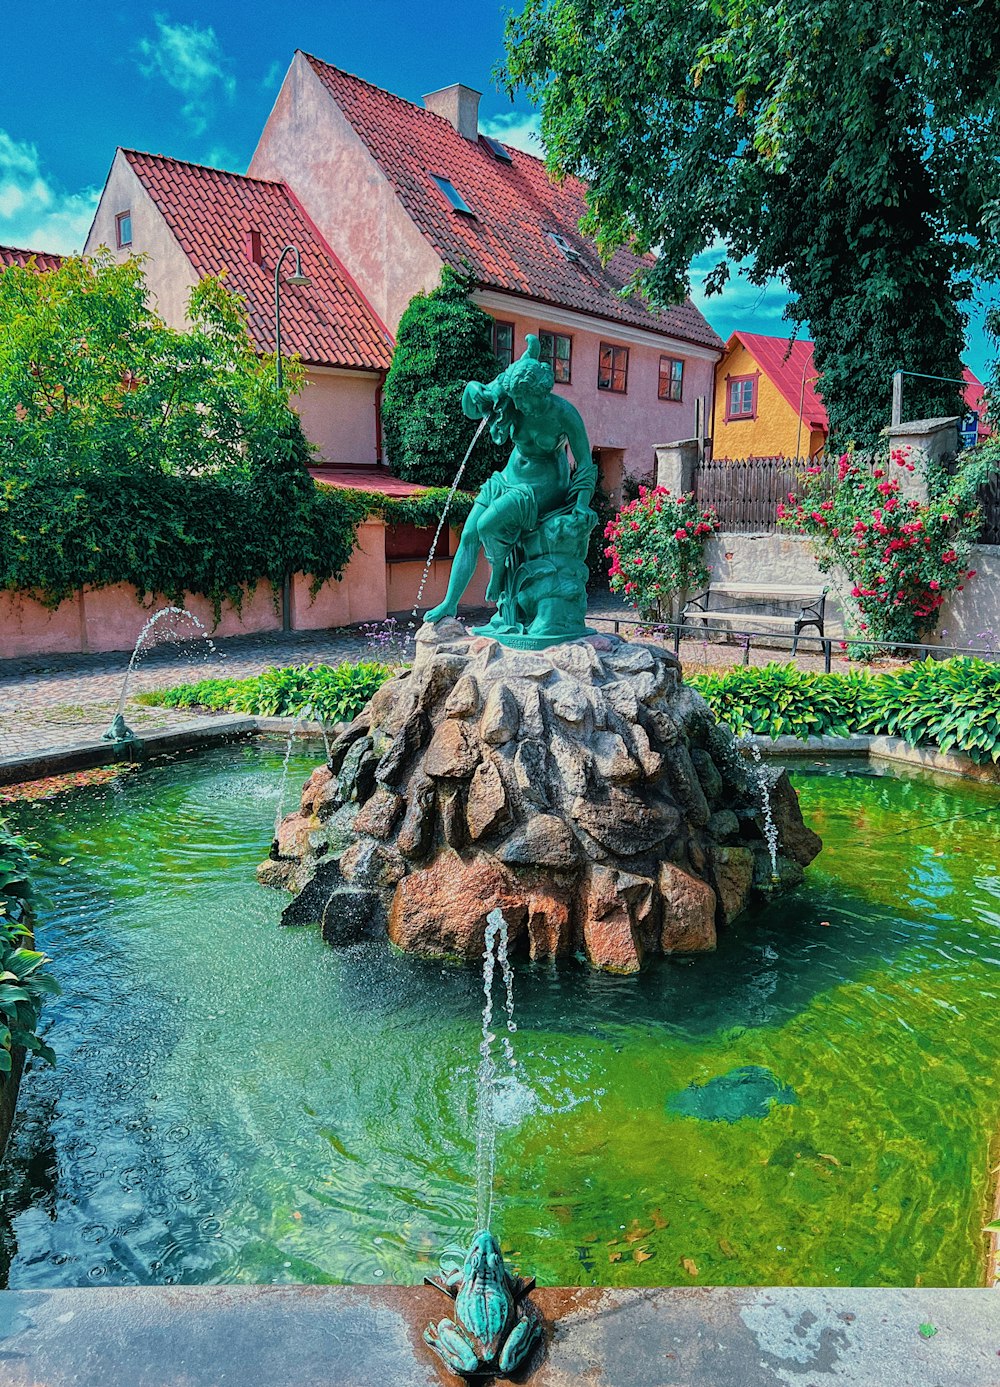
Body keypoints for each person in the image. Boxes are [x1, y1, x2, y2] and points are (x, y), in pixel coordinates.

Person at [425, 335, 598, 629]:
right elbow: (472, 407)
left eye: (526, 401)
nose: (521, 407)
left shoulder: (564, 414)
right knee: (469, 533)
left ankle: (500, 576)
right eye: (517, 400)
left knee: (486, 525)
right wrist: (474, 390)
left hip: (542, 486)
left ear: (541, 392)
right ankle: (450, 602)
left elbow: (584, 463)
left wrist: (581, 503)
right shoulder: (514, 393)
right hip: (507, 477)